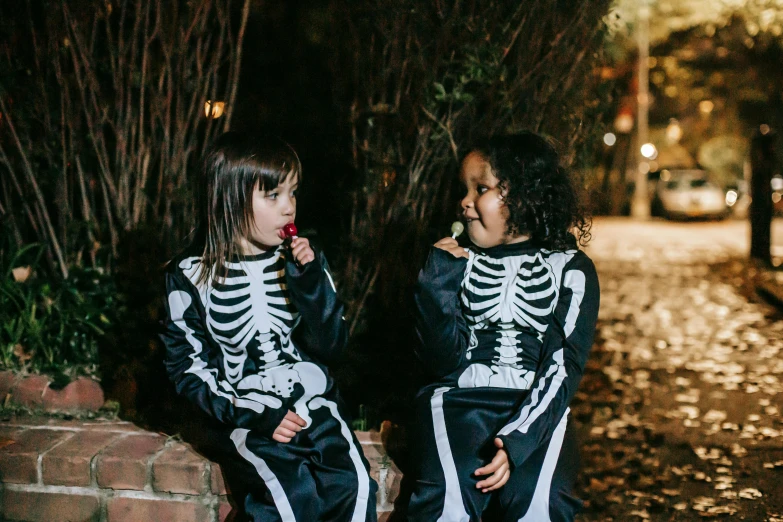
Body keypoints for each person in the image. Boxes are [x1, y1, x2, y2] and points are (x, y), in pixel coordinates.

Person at [161, 132, 377, 522]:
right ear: (230, 198)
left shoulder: (302, 261)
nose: (289, 208)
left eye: (293, 194)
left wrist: (311, 285)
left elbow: (333, 346)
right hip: (248, 413)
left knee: (356, 489)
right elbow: (186, 368)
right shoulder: (190, 276)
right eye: (273, 196)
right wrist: (248, 412)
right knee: (288, 499)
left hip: (315, 403)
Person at [407, 132, 600, 521]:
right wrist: (436, 287)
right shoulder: (456, 262)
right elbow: (440, 363)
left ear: (524, 196)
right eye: (464, 189)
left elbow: (563, 366)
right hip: (458, 401)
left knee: (543, 503)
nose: (464, 202)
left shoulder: (571, 269)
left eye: (480, 188)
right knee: (446, 500)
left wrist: (518, 442)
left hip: (539, 408)